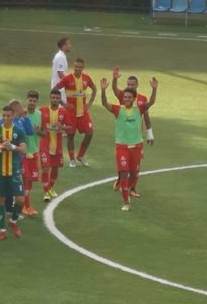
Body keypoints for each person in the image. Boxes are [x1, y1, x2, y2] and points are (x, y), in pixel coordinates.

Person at [100, 76, 158, 211]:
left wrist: (154, 89)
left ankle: (127, 187)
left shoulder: (139, 109)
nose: (126, 99)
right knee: (125, 172)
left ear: (133, 98)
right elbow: (104, 103)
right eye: (124, 97)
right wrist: (103, 90)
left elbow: (152, 102)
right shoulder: (117, 109)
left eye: (129, 97)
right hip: (122, 147)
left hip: (136, 147)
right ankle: (126, 201)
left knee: (134, 173)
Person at [112, 66, 155, 197]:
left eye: (133, 84)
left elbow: (146, 115)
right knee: (123, 164)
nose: (130, 86)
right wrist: (114, 79)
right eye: (128, 84)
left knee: (136, 166)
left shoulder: (142, 98)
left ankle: (132, 188)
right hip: (123, 137)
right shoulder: (124, 96)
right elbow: (114, 89)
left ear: (137, 85)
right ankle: (121, 180)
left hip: (137, 137)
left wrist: (150, 133)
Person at [0, 105, 26, 241]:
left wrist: (12, 147)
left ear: (13, 116)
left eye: (8, 116)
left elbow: (24, 150)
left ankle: (13, 221)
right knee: (0, 200)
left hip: (14, 171)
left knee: (21, 200)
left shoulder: (19, 131)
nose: (5, 118)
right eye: (3, 115)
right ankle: (2, 230)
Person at [52, 58, 97, 168]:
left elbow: (94, 88)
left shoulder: (86, 78)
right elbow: (55, 89)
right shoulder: (68, 78)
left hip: (83, 113)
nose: (77, 68)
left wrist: (90, 102)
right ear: (74, 66)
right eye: (76, 66)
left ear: (83, 68)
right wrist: (62, 103)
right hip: (70, 113)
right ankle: (72, 159)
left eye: (79, 67)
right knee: (70, 135)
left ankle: (80, 155)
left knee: (90, 133)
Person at [38, 90, 70, 202]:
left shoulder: (63, 112)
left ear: (59, 99)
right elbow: (36, 123)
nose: (55, 100)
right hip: (45, 145)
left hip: (58, 146)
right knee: (46, 168)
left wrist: (62, 127)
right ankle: (46, 192)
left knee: (55, 169)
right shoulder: (42, 110)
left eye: (57, 98)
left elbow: (70, 127)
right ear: (50, 98)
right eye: (53, 98)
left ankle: (50, 187)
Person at [21, 91, 43, 216]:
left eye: (34, 101)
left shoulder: (39, 114)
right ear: (27, 100)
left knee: (30, 182)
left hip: (34, 152)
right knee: (26, 180)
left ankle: (23, 203)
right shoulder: (22, 115)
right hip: (23, 153)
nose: (32, 103)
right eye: (30, 100)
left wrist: (39, 131)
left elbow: (44, 133)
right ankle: (26, 206)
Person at [51, 38, 71, 103]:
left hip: (60, 88)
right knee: (60, 109)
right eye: (68, 44)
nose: (70, 46)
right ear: (63, 46)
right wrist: (70, 83)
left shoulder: (61, 56)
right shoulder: (60, 57)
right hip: (59, 89)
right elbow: (61, 74)